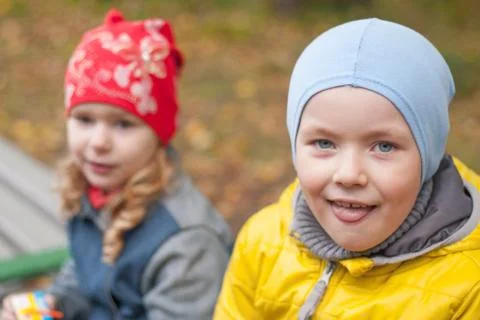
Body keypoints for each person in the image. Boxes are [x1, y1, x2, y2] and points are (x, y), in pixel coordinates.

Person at [214, 18, 480, 319]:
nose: (349, 174)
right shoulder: (262, 242)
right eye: (325, 143)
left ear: (428, 155)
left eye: (383, 146)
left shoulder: (468, 287)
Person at [2, 8, 233, 320]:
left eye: (123, 124)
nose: (99, 142)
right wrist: (51, 303)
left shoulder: (188, 243)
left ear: (158, 135)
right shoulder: (95, 187)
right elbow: (82, 272)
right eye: (84, 119)